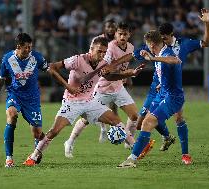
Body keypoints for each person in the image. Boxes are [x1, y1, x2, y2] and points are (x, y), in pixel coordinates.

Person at [106, 8, 209, 164]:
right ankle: (164, 138)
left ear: (169, 36)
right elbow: (132, 55)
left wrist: (207, 23)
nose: (163, 40)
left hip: (173, 89)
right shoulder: (154, 48)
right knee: (142, 122)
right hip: (159, 88)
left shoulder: (180, 46)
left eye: (165, 38)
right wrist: (114, 64)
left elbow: (177, 59)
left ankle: (184, 154)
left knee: (176, 118)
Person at [23, 36, 144, 166]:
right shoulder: (77, 60)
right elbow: (52, 67)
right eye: (99, 51)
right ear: (91, 49)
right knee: (55, 131)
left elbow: (109, 76)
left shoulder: (103, 63)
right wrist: (67, 86)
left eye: (104, 52)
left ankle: (137, 149)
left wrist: (129, 73)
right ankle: (34, 156)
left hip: (91, 101)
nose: (102, 54)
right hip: (72, 102)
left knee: (115, 120)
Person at [63, 22, 141, 158]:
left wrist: (128, 77)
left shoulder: (131, 47)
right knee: (86, 119)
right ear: (116, 34)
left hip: (118, 88)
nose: (122, 36)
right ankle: (70, 141)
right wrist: (127, 74)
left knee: (134, 116)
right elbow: (107, 71)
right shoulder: (109, 48)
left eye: (125, 34)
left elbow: (124, 66)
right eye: (120, 33)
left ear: (129, 35)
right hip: (102, 88)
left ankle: (129, 143)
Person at [117, 30, 183, 168]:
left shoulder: (167, 53)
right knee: (142, 123)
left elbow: (175, 60)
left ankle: (132, 159)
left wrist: (152, 59)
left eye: (148, 45)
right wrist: (161, 84)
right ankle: (138, 154)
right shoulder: (160, 54)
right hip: (162, 94)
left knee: (148, 122)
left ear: (152, 45)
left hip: (172, 97)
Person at [0, 33, 48, 168]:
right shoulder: (7, 58)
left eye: (30, 46)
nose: (29, 49)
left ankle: (37, 151)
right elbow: (1, 80)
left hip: (32, 99)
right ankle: (9, 159)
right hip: (15, 95)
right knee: (12, 115)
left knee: (37, 132)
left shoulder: (36, 57)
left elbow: (50, 69)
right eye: (26, 47)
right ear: (18, 46)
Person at [89, 19, 119, 143]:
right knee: (99, 103)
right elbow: (91, 54)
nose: (111, 29)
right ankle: (103, 128)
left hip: (114, 73)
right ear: (105, 28)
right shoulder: (98, 40)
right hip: (100, 74)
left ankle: (115, 130)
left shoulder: (118, 41)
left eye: (113, 27)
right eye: (109, 27)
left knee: (114, 104)